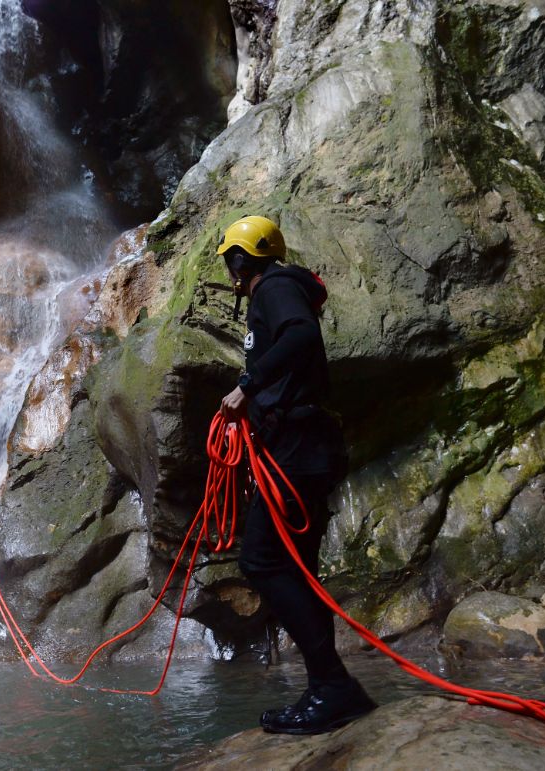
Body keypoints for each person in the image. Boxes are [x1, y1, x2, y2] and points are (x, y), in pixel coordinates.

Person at [216, 215, 376, 735]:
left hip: (299, 449)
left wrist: (248, 384)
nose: (229, 270)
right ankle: (330, 690)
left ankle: (332, 686)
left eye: (230, 260)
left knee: (261, 560)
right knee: (298, 571)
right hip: (301, 446)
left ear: (242, 259)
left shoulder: (276, 287)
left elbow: (302, 334)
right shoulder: (284, 289)